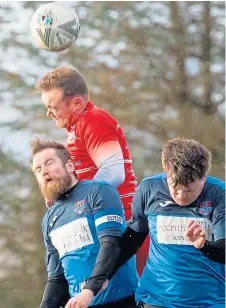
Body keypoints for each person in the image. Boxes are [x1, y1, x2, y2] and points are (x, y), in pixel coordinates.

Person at [35, 66, 148, 276]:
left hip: (123, 227)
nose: (48, 113)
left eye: (53, 106)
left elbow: (114, 172)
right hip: (110, 227)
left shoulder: (93, 120)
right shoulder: (78, 126)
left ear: (77, 102)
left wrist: (73, 203)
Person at [110, 137, 225, 308]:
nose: (180, 196)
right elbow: (132, 239)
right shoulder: (149, 189)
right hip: (155, 299)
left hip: (209, 301)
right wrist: (101, 276)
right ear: (166, 170)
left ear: (203, 178)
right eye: (175, 188)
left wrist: (204, 245)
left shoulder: (219, 194)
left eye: (189, 190)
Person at [30, 137, 138, 308]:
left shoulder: (99, 191)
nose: (44, 171)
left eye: (49, 162)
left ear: (70, 166)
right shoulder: (49, 219)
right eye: (38, 169)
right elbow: (57, 279)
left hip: (124, 301)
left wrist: (90, 290)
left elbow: (112, 244)